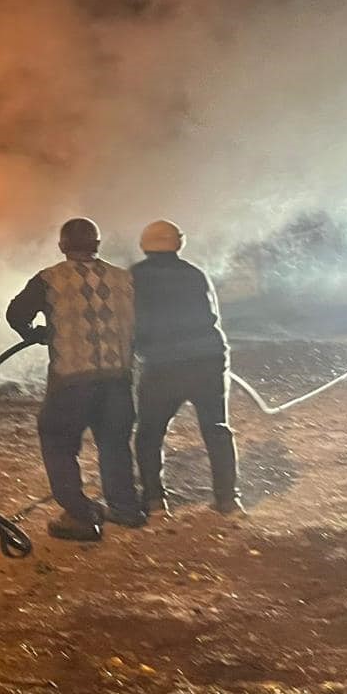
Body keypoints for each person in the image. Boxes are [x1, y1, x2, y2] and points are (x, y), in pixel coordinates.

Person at [7, 217, 144, 541]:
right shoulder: (125, 279)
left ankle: (81, 516)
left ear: (62, 246)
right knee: (114, 444)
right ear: (97, 245)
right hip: (118, 381)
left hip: (71, 382)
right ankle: (125, 509)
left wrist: (38, 334)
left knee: (57, 442)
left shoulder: (49, 280)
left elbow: (16, 314)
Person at [131, 219, 243, 516]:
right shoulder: (196, 274)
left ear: (145, 245)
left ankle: (154, 501)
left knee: (149, 433)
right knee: (217, 429)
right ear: (178, 243)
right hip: (208, 362)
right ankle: (227, 499)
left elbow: (129, 323)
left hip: (163, 366)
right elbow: (212, 316)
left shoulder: (135, 276)